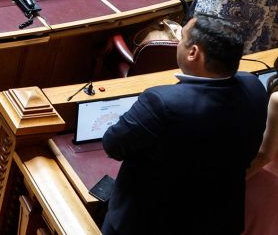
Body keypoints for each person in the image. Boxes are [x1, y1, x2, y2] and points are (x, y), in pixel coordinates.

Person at [102, 15, 267, 235]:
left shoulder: (161, 102)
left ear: (193, 53)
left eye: (182, 37)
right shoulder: (254, 86)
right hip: (217, 221)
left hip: (150, 224)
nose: (178, 42)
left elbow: (113, 145)